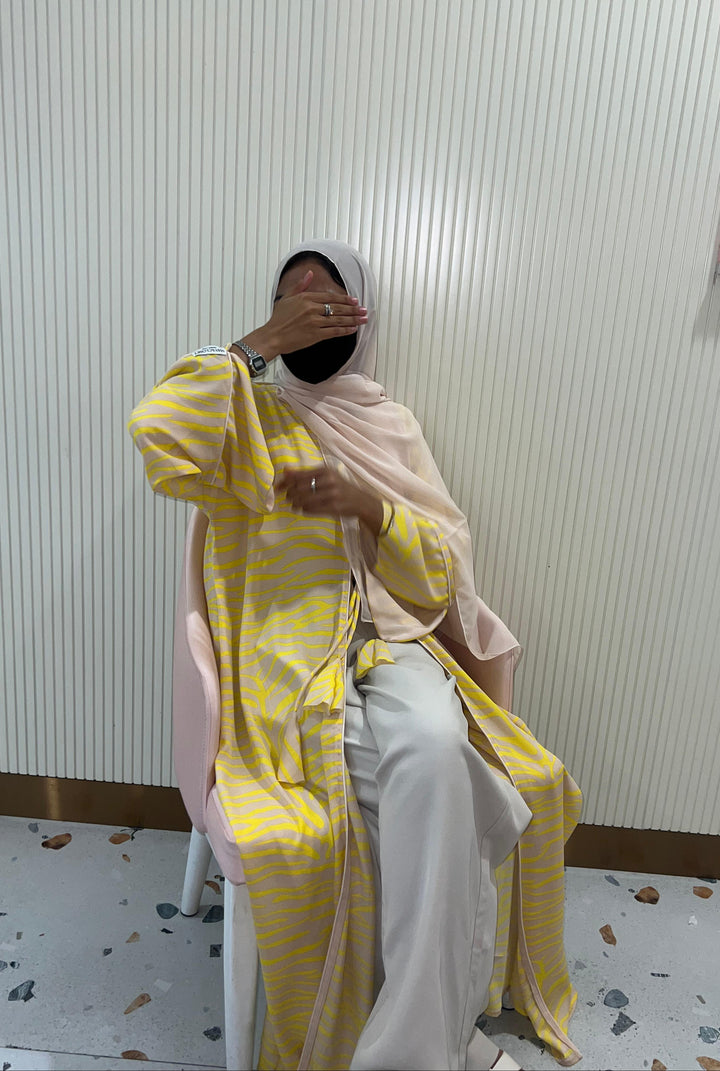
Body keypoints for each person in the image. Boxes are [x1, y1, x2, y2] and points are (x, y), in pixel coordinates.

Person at [129, 240, 582, 1071]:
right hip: (291, 662)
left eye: (328, 297)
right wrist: (256, 345)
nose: (309, 306)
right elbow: (158, 434)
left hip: (395, 643)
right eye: (292, 299)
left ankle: (409, 1048)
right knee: (447, 791)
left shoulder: (390, 425)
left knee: (438, 747)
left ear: (360, 319)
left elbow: (443, 576)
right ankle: (444, 1044)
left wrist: (373, 508)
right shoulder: (244, 414)